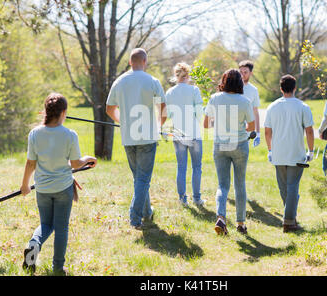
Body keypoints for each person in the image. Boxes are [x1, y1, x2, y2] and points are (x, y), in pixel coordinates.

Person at [20, 93, 97, 275]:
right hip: (63, 189)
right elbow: (76, 163)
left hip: (43, 189)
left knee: (46, 223)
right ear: (63, 112)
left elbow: (31, 163)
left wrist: (25, 184)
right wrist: (88, 159)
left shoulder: (34, 134)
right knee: (61, 227)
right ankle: (58, 268)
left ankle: (34, 244)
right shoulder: (69, 134)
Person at [106, 48, 166, 230]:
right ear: (145, 62)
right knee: (143, 179)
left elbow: (109, 109)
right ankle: (135, 217)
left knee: (139, 178)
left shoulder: (120, 81)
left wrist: (121, 121)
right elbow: (164, 108)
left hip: (128, 136)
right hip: (147, 136)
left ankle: (147, 212)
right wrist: (159, 126)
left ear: (131, 62)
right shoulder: (152, 81)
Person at [204, 69, 255, 235]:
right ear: (240, 83)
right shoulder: (245, 101)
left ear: (223, 82)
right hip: (239, 144)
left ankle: (221, 217)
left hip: (220, 145)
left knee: (222, 185)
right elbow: (252, 126)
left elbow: (206, 124)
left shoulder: (215, 98)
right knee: (239, 184)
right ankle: (240, 223)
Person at [264, 75, 314, 233]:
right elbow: (310, 131)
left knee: (284, 188)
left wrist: (270, 150)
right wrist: (311, 150)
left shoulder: (272, 107)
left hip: (278, 154)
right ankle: (289, 221)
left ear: (280, 88)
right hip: (296, 153)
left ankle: (289, 217)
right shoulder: (303, 107)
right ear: (295, 88)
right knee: (292, 187)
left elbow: (267, 132)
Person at [165, 62, 205, 207]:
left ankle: (182, 199)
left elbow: (167, 114)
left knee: (181, 167)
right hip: (194, 133)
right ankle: (197, 198)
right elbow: (200, 113)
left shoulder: (169, 93)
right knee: (197, 167)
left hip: (178, 134)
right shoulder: (194, 90)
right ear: (187, 75)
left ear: (176, 76)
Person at [238, 60, 261, 147]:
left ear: (251, 73)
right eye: (240, 72)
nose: (242, 74)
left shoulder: (253, 90)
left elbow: (255, 112)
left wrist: (258, 133)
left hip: (246, 132)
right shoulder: (232, 86)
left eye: (245, 72)